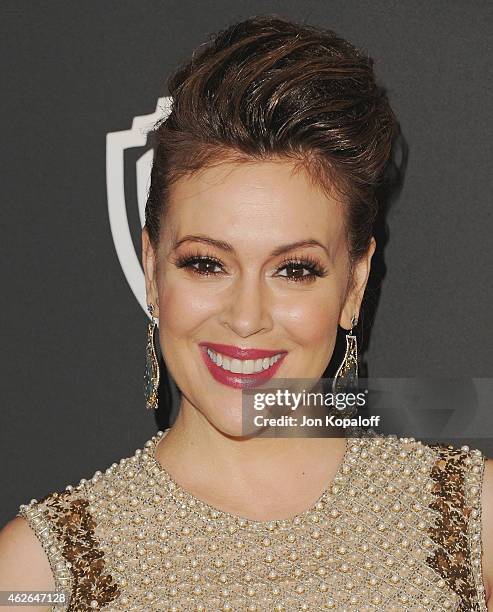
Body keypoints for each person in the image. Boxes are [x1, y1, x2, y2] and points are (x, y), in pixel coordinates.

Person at [1, 14, 492, 611]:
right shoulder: (41, 573)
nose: (246, 316)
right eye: (207, 263)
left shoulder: (470, 524)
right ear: (152, 266)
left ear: (355, 283)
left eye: (295, 269)